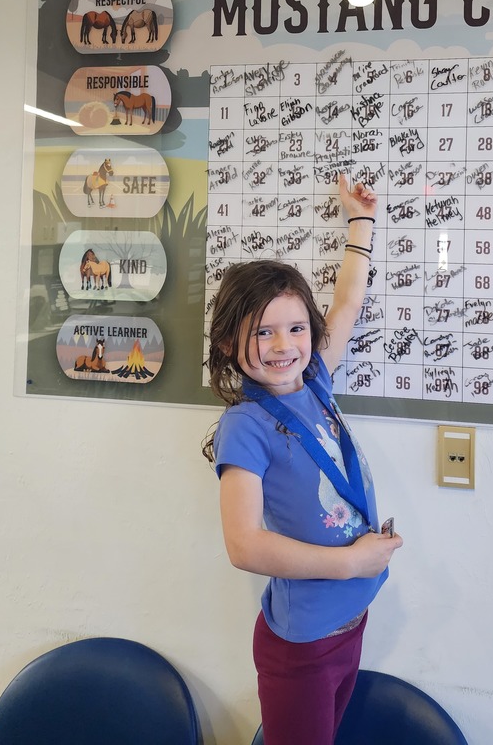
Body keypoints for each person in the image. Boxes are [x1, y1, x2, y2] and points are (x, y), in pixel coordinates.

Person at [203, 173, 403, 745]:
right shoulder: (245, 424)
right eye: (262, 332)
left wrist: (360, 219)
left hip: (351, 622)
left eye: (295, 328)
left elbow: (347, 301)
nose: (284, 345)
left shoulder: (316, 381)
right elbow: (244, 546)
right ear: (226, 344)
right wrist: (352, 563)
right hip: (304, 644)